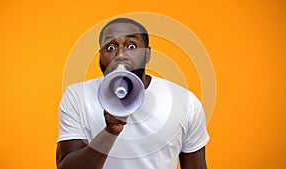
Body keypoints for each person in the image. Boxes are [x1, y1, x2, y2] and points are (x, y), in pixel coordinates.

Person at [56, 18, 209, 169]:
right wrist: (110, 131)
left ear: (147, 54)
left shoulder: (185, 101)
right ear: (100, 56)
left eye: (131, 46)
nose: (120, 55)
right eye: (110, 48)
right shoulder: (76, 96)